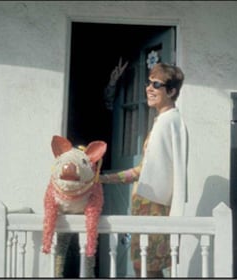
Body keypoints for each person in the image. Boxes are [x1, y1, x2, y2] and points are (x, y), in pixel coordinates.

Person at [100, 62, 187, 277]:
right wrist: (103, 178)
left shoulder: (167, 122)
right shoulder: (165, 121)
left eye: (156, 84)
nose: (149, 88)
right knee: (145, 270)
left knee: (147, 270)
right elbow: (144, 170)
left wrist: (102, 179)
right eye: (148, 83)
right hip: (147, 208)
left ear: (172, 91)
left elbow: (147, 174)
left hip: (153, 209)